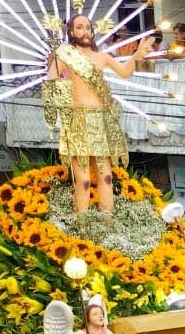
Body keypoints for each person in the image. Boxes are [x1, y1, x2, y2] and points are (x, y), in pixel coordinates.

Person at [41, 14, 155, 215]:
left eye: (87, 27)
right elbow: (51, 83)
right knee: (83, 180)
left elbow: (124, 72)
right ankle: (82, 224)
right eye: (79, 27)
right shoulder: (65, 55)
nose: (85, 31)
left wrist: (138, 54)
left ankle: (107, 222)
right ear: (71, 32)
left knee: (106, 177)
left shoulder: (102, 56)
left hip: (100, 121)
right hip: (77, 120)